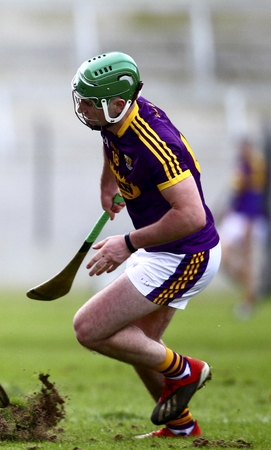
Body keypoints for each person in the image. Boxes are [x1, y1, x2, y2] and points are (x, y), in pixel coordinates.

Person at [70, 52, 221, 439]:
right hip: (167, 249)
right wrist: (112, 182)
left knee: (89, 328)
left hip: (186, 253)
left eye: (90, 103)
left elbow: (191, 215)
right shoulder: (117, 119)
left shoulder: (156, 145)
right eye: (82, 100)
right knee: (139, 342)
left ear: (118, 104)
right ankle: (181, 427)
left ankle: (186, 370)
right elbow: (113, 143)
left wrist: (127, 243)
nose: (83, 109)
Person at [218, 138, 267, 320]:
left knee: (248, 260)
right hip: (236, 216)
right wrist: (227, 210)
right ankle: (252, 289)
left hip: (248, 218)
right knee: (222, 255)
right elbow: (236, 193)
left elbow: (255, 195)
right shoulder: (240, 165)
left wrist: (250, 221)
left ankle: (248, 300)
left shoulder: (256, 166)